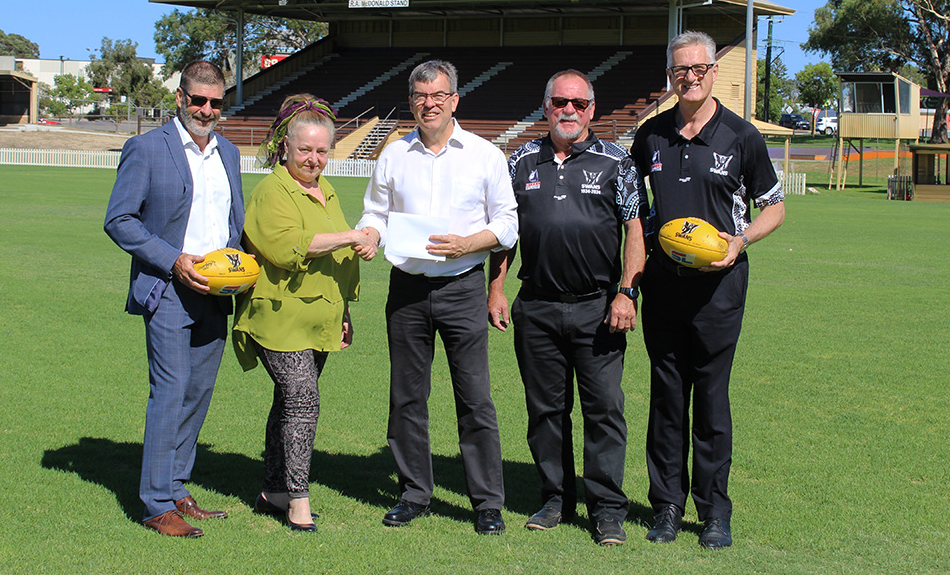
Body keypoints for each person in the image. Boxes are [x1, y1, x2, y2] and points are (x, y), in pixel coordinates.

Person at [630, 31, 785, 549]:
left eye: (698, 68)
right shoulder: (649, 137)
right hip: (663, 286)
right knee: (666, 398)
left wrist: (740, 242)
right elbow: (633, 213)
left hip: (720, 287)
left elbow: (776, 207)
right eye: (680, 70)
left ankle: (715, 511)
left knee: (712, 399)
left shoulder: (742, 137)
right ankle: (667, 507)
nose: (689, 77)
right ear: (670, 75)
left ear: (714, 71)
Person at [356, 59, 518, 535]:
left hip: (462, 286)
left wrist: (470, 243)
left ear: (455, 100)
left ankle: (487, 502)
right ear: (411, 102)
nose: (429, 104)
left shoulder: (485, 155)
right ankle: (413, 493)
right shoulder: (393, 155)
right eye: (420, 96)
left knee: (474, 398)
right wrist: (369, 233)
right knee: (407, 397)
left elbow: (508, 223)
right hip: (406, 289)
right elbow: (376, 211)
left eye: (438, 96)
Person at [488, 69, 646, 546]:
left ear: (592, 110)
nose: (569, 110)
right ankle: (555, 498)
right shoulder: (520, 160)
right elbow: (504, 231)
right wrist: (496, 289)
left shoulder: (616, 161)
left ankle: (607, 509)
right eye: (560, 102)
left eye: (578, 103)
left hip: (598, 308)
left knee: (604, 411)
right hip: (535, 305)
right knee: (546, 411)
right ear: (546, 106)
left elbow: (636, 230)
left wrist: (627, 291)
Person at [104, 60, 245, 538]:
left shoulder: (228, 152)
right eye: (198, 100)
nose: (207, 110)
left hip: (216, 292)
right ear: (181, 98)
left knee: (197, 395)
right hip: (167, 288)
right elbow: (120, 220)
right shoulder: (145, 148)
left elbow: (234, 223)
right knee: (169, 391)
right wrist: (173, 259)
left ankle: (179, 487)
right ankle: (156, 502)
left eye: (216, 102)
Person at [232, 94, 374, 532]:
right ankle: (298, 499)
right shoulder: (272, 190)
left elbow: (335, 259)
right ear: (286, 147)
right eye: (305, 150)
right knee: (302, 400)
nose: (313, 159)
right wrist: (352, 235)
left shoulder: (325, 190)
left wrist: (345, 309)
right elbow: (288, 246)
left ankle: (273, 489)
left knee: (288, 403)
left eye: (321, 151)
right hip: (279, 318)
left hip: (320, 317)